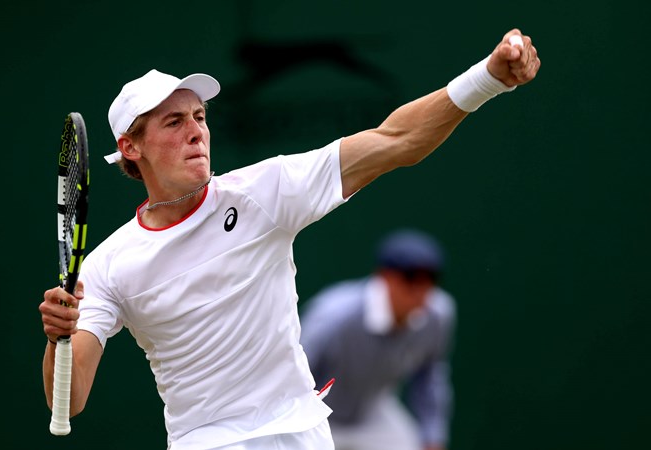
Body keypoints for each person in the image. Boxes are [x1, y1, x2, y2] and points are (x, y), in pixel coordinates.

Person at [39, 29, 540, 450]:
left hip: (299, 433)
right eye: (174, 122)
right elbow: (71, 397)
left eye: (200, 117)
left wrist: (489, 78)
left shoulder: (263, 192)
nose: (196, 132)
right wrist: (58, 337)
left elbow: (396, 141)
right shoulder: (107, 265)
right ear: (131, 146)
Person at [300, 229, 455, 450]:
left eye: (430, 280)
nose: (421, 291)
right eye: (410, 278)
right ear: (385, 277)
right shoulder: (335, 316)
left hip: (374, 415)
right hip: (314, 419)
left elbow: (429, 377)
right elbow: (294, 376)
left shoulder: (438, 315)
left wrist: (432, 435)